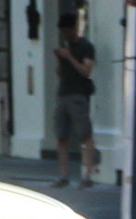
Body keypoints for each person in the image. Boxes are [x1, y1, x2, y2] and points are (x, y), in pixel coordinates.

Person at [49, 15, 98, 189]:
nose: (66, 35)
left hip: (78, 94)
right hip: (63, 93)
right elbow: (60, 74)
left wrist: (69, 57)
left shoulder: (86, 47)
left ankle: (87, 175)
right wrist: (60, 59)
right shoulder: (65, 46)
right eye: (63, 32)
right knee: (62, 136)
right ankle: (63, 175)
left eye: (68, 31)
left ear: (75, 28)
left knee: (85, 135)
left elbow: (86, 71)